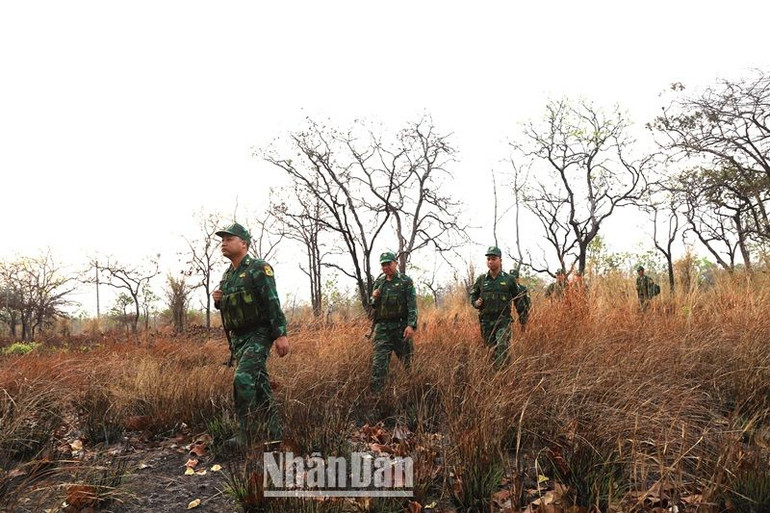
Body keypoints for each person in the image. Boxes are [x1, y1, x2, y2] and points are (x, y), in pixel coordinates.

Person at [212, 222, 289, 446]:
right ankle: (276, 433)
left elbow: (272, 301)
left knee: (243, 378)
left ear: (243, 243)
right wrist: (218, 300)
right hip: (239, 338)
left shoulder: (259, 268)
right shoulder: (228, 275)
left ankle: (246, 434)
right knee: (261, 385)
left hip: (259, 333)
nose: (223, 243)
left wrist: (280, 334)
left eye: (229, 239)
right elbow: (229, 305)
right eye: (222, 240)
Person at [369, 251, 418, 393]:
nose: (386, 267)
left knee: (409, 364)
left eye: (389, 264)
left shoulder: (405, 281)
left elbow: (412, 305)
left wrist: (411, 325)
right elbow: (373, 305)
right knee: (378, 366)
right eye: (383, 265)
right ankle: (376, 399)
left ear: (395, 263)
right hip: (382, 330)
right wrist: (374, 297)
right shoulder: (379, 283)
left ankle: (413, 393)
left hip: (401, 328)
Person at [470, 247, 520, 366]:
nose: (490, 261)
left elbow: (518, 299)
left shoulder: (509, 280)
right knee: (490, 349)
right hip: (486, 321)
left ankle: (503, 374)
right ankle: (494, 376)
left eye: (493, 258)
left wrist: (523, 318)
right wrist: (476, 303)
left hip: (503, 320)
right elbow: (473, 297)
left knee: (502, 345)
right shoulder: (481, 280)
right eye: (488, 259)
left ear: (500, 260)